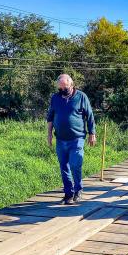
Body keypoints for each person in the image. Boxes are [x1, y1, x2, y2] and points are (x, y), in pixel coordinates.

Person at [47, 74, 96, 205]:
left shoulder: (81, 96)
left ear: (71, 85)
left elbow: (89, 116)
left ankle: (78, 190)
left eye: (65, 87)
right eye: (60, 88)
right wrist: (49, 134)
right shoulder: (55, 98)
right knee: (64, 166)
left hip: (77, 138)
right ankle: (68, 194)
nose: (62, 90)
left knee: (75, 164)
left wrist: (92, 133)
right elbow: (50, 117)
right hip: (60, 139)